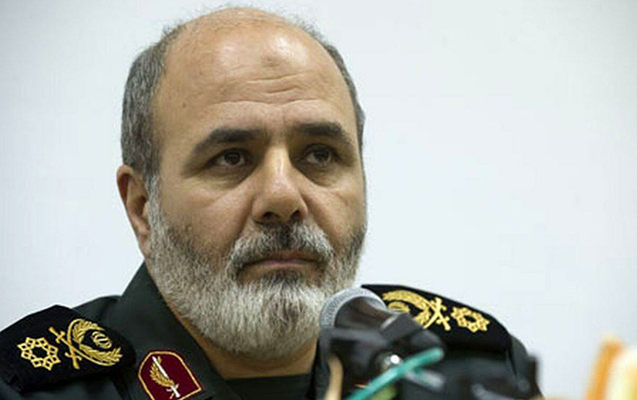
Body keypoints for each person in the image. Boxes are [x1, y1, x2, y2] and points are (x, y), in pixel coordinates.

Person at [0, 7, 540, 400]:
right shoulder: (29, 388)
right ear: (143, 207)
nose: (284, 197)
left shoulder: (465, 369)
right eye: (231, 158)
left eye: (320, 154)